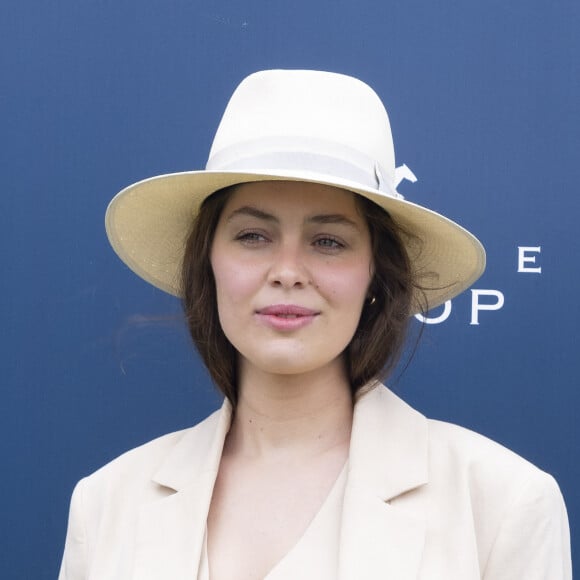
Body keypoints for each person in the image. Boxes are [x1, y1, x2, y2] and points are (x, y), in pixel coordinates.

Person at [59, 70, 571, 579]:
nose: (286, 272)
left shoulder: (502, 504)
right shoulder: (107, 505)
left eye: (328, 242)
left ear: (375, 272)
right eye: (253, 236)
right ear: (206, 261)